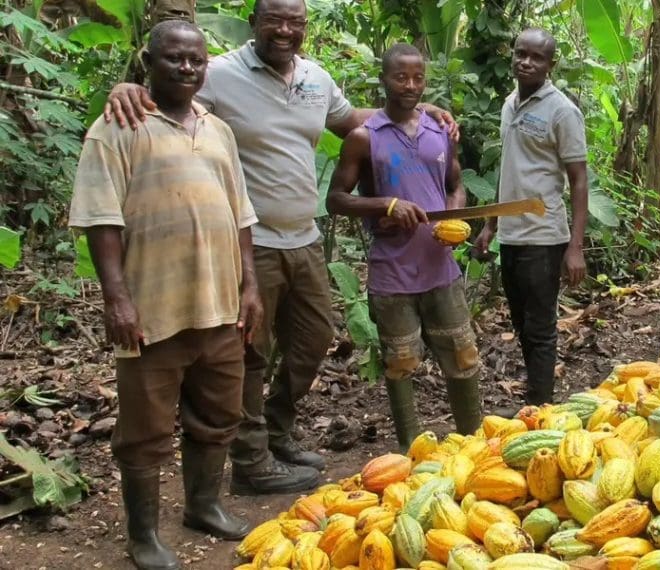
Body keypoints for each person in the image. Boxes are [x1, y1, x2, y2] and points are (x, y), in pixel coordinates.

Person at [102, 0, 460, 494]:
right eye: (274, 20)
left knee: (313, 340)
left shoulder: (315, 78)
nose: (285, 30)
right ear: (254, 23)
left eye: (296, 22)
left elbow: (352, 120)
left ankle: (276, 430)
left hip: (304, 236)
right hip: (250, 240)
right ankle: (251, 461)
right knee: (250, 351)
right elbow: (168, 96)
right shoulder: (219, 73)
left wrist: (418, 111)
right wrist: (127, 89)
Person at [70, 20, 259, 570]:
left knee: (218, 413)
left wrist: (250, 284)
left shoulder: (217, 129)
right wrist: (117, 297)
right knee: (145, 429)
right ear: (149, 62)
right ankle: (144, 535)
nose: (187, 67)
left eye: (196, 59)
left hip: (219, 305)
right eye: (174, 58)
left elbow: (240, 214)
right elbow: (101, 218)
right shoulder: (118, 126)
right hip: (152, 308)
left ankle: (203, 505)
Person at [326, 43, 483, 450]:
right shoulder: (364, 138)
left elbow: (455, 185)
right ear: (384, 80)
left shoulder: (439, 132)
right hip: (393, 271)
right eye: (401, 77)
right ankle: (411, 452)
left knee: (462, 355)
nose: (410, 85)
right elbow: (336, 200)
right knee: (401, 362)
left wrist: (453, 217)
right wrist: (387, 205)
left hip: (440, 267)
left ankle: (475, 444)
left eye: (418, 78)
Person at [473, 28, 588, 411]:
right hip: (511, 234)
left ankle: (542, 407)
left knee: (540, 326)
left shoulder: (562, 111)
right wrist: (491, 223)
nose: (526, 62)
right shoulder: (510, 103)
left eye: (536, 57)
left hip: (544, 235)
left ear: (550, 64)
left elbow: (579, 180)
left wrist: (575, 247)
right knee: (522, 322)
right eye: (520, 54)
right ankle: (535, 398)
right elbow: (509, 168)